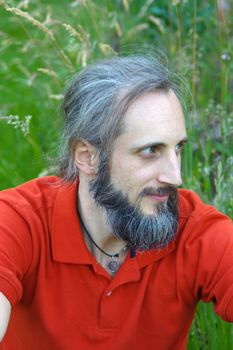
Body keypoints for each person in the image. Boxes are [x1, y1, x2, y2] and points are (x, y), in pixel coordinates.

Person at [0, 54, 232, 350]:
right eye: (150, 150)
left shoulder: (191, 229)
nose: (176, 177)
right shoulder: (20, 221)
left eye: (178, 149)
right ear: (87, 157)